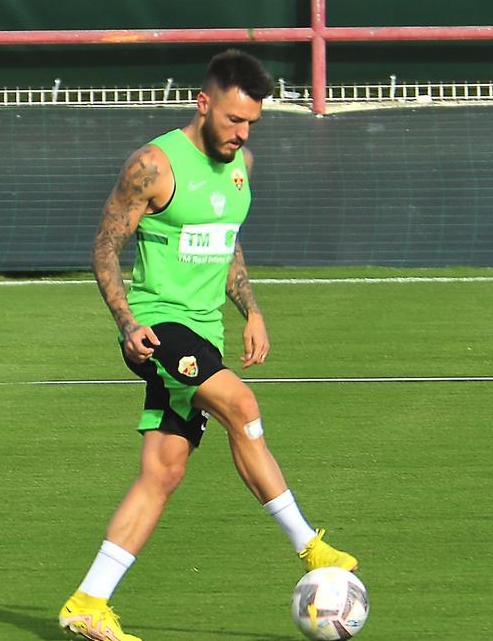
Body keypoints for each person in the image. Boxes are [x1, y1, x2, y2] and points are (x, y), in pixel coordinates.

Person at [59, 49, 356, 641]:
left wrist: (251, 310)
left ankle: (88, 602)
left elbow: (224, 242)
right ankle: (309, 548)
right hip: (160, 329)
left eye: (251, 123)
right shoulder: (153, 164)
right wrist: (126, 325)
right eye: (232, 121)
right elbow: (103, 247)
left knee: (162, 474)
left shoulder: (242, 163)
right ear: (204, 103)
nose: (241, 134)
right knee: (242, 408)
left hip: (205, 329)